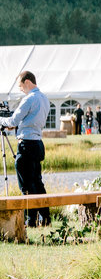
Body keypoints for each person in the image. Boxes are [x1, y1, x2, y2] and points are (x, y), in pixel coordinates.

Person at [0, 71, 51, 226]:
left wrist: (1, 120)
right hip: (37, 143)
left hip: (26, 144)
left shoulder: (29, 99)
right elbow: (28, 120)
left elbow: (14, 119)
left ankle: (31, 220)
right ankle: (46, 218)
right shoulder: (44, 98)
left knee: (26, 185)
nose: (21, 89)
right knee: (37, 182)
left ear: (27, 82)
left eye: (21, 86)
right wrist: (15, 126)